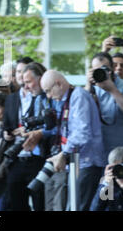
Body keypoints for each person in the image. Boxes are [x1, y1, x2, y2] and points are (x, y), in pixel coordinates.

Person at [42, 70, 106, 211]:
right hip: (78, 162)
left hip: (88, 162)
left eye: (48, 91)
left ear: (58, 84)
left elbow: (82, 133)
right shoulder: (69, 98)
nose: (49, 96)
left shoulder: (78, 96)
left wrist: (63, 154)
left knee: (80, 206)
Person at [3, 62, 55, 211]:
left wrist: (38, 133)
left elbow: (54, 126)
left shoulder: (49, 97)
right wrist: (10, 134)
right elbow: (7, 126)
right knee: (16, 202)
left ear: (40, 78)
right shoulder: (14, 99)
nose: (25, 86)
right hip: (17, 157)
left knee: (40, 202)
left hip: (41, 158)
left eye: (28, 81)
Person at [85, 52, 123, 158]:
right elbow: (81, 113)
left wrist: (112, 90)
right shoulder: (93, 89)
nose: (101, 72)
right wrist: (88, 85)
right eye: (96, 70)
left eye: (104, 68)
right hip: (99, 149)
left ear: (112, 67)